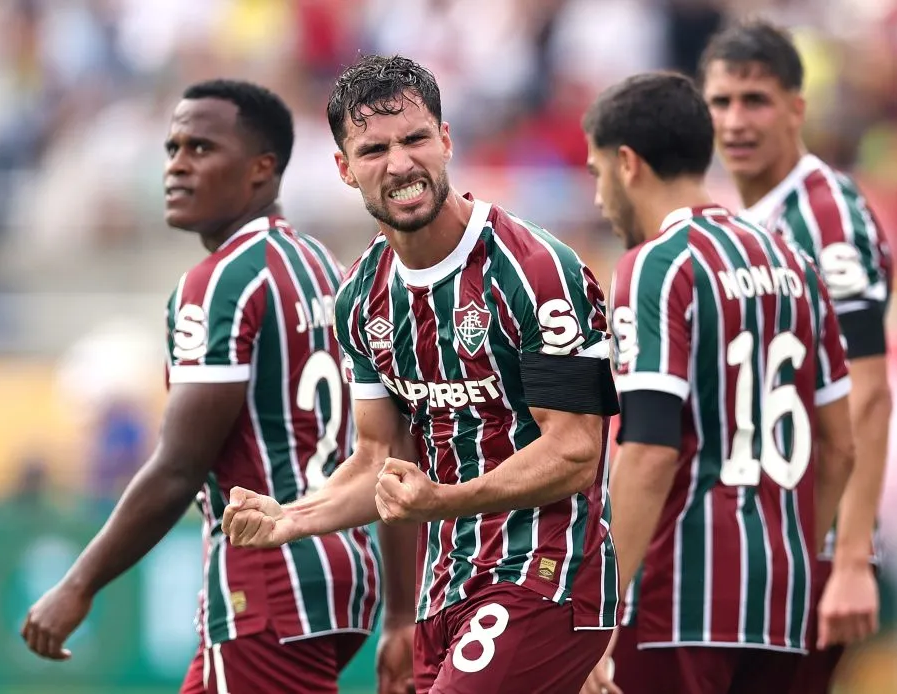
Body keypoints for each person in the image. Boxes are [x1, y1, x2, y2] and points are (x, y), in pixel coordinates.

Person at [222, 54, 622, 694]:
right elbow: (380, 460)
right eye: (374, 149)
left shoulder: (538, 270)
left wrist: (443, 501)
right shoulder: (360, 298)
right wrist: (292, 518)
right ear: (344, 168)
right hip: (447, 589)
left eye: (414, 139)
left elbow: (576, 451)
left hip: (547, 575)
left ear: (446, 140)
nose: (400, 163)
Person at [20, 79, 406, 694]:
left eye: (201, 148)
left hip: (267, 571)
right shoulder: (328, 269)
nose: (177, 165)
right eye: (172, 148)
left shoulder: (221, 281)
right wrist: (402, 612)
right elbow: (394, 449)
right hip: (344, 565)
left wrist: (78, 584)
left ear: (261, 168)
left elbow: (179, 466)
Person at [577, 72, 876, 694]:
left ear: (627, 163)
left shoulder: (657, 265)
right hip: (781, 603)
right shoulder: (796, 264)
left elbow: (649, 450)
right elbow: (841, 446)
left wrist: (604, 607)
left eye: (597, 172)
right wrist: (788, 554)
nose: (600, 198)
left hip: (676, 600)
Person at [700, 21, 891, 693]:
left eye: (755, 100)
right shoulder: (752, 215)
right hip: (766, 541)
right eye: (721, 102)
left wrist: (851, 560)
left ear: (796, 108)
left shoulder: (823, 218)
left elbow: (868, 391)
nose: (735, 121)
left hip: (812, 546)